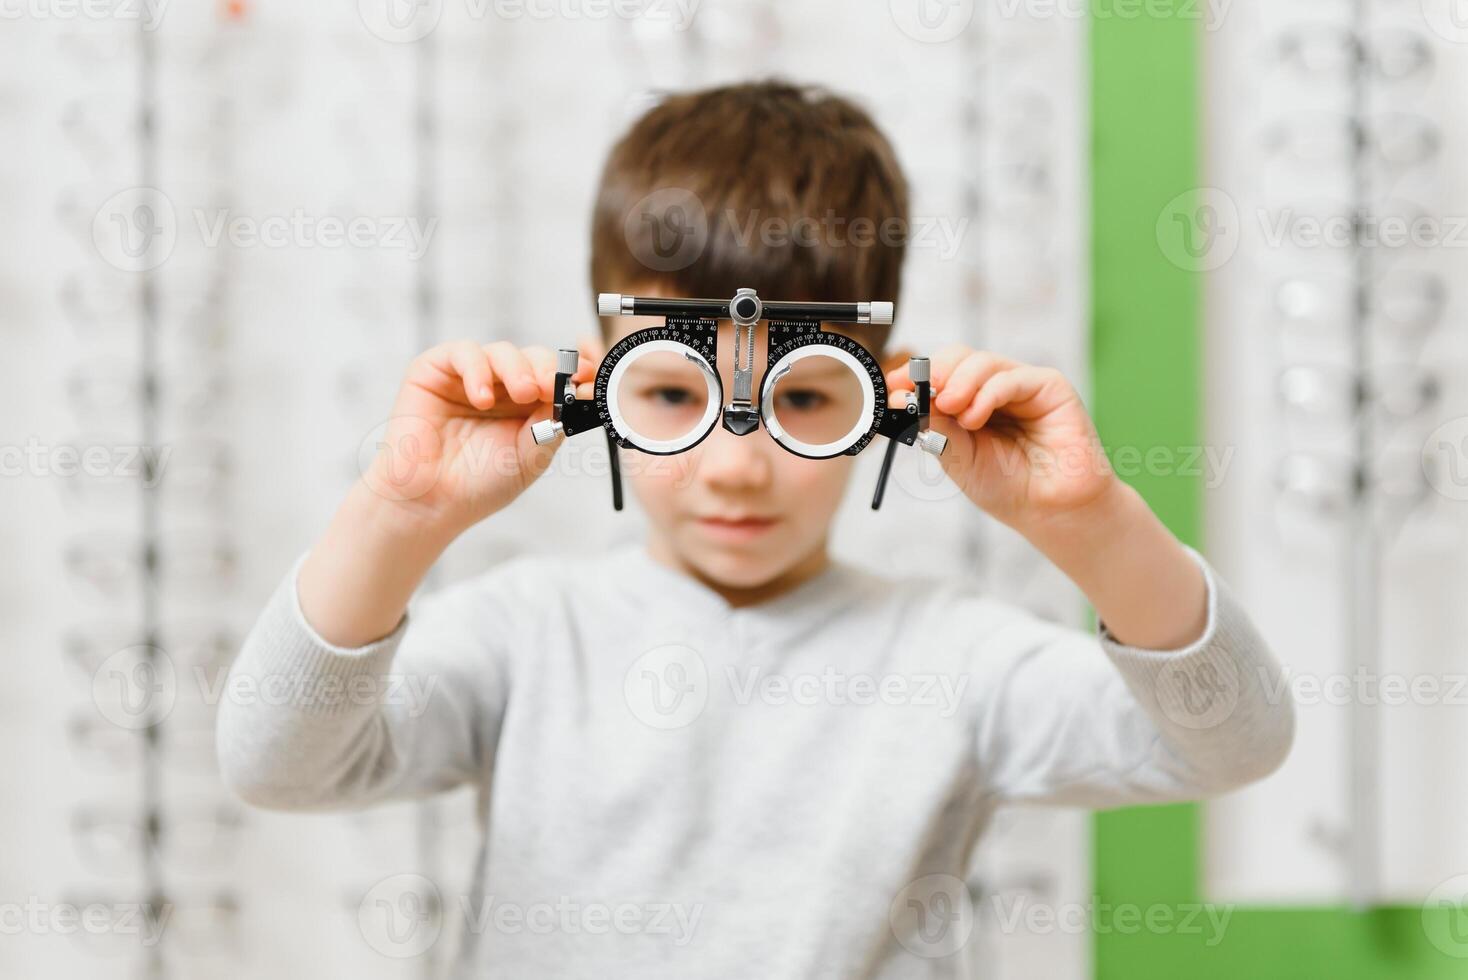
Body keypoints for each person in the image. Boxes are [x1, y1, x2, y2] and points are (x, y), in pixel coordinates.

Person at [217, 80, 1293, 978]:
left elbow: (1233, 738)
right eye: (674, 394)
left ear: (886, 394)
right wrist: (399, 516)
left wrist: (1094, 526)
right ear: (598, 382)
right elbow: (279, 764)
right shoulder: (526, 631)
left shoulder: (954, 659)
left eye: (805, 399)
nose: (736, 461)